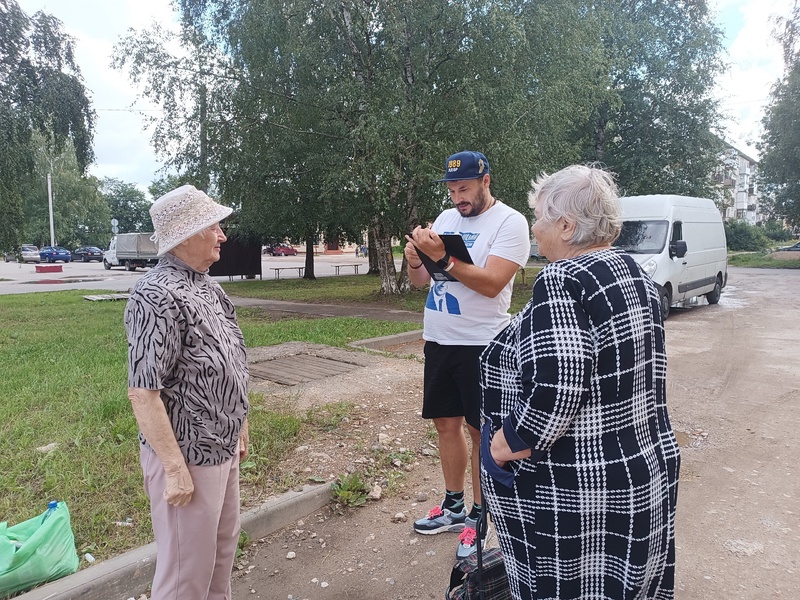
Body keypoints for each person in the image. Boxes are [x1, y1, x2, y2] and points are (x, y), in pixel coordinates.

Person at [480, 165, 680, 599]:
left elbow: (558, 385)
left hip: (575, 486)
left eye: (539, 217)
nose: (534, 227)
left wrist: (507, 440)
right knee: (622, 584)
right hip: (637, 470)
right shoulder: (633, 273)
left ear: (566, 225)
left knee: (566, 587)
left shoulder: (564, 280)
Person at [125, 184, 250, 600]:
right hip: (188, 455)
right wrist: (175, 469)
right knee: (185, 575)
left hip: (222, 446)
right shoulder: (154, 293)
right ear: (188, 233)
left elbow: (230, 358)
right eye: (215, 226)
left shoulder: (208, 287)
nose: (222, 235)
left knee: (219, 556)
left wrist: (240, 423)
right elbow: (144, 392)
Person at [405, 150, 530, 559]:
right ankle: (454, 505)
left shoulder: (510, 222)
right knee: (445, 425)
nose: (458, 197)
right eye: (452, 189)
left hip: (482, 344)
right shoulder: (445, 220)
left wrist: (444, 256)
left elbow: (493, 283)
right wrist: (413, 262)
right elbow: (423, 280)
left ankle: (481, 517)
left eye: (465, 188)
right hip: (440, 337)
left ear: (485, 181)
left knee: (481, 433)